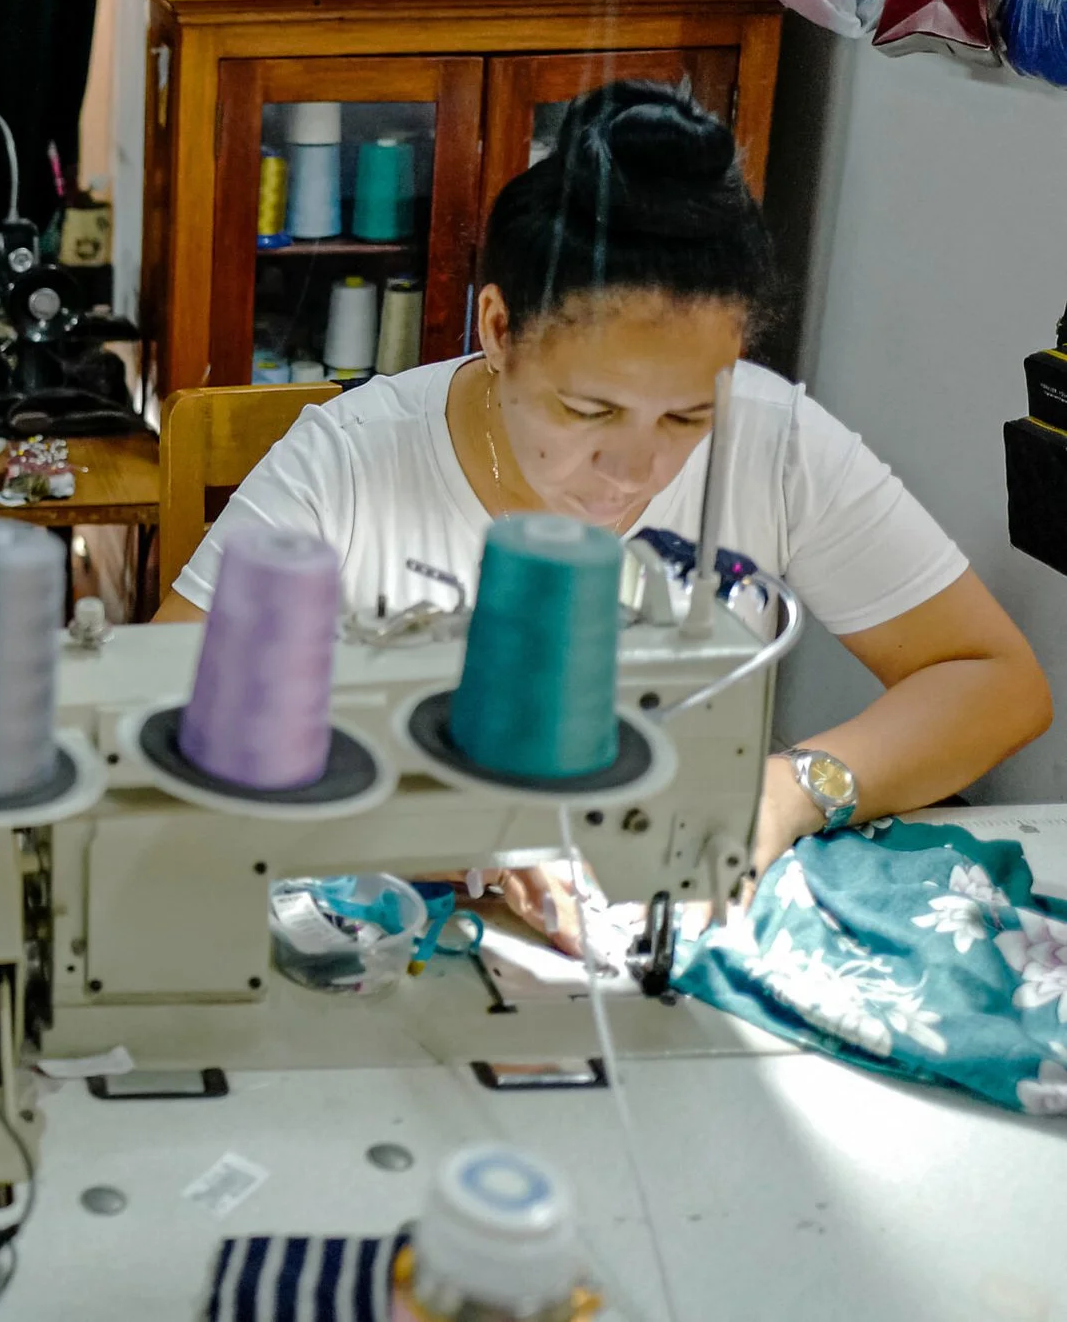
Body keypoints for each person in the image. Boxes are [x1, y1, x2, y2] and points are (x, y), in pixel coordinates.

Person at [157, 82, 1049, 872]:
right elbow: (159, 708)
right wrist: (438, 823)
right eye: (589, 412)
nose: (638, 469)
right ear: (499, 330)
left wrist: (785, 794)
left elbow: (994, 679)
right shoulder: (346, 466)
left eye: (688, 417)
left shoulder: (772, 441)